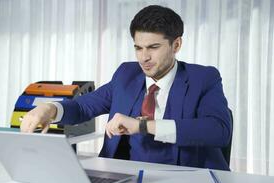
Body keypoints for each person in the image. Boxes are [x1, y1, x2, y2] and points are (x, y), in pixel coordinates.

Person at [21, 5, 232, 170]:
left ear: (176, 45)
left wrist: (142, 126)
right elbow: (84, 107)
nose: (144, 57)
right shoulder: (126, 75)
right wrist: (50, 109)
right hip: (127, 179)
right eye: (138, 48)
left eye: (153, 47)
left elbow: (219, 130)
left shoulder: (203, 78)